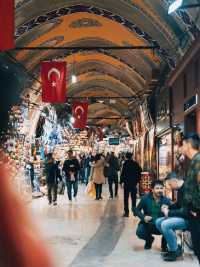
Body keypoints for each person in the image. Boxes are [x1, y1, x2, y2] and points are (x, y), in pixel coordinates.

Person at [156, 172, 188, 261]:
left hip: (189, 219)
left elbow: (185, 212)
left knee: (165, 224)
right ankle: (174, 246)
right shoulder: (180, 190)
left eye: (170, 184)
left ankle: (174, 251)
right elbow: (178, 205)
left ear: (174, 181)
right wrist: (168, 207)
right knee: (158, 222)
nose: (169, 186)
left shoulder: (187, 189)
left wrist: (169, 212)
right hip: (182, 217)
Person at [134, 180, 171, 250]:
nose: (159, 190)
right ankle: (149, 240)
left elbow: (171, 212)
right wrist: (143, 217)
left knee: (170, 227)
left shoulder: (166, 200)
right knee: (140, 232)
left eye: (161, 188)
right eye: (157, 188)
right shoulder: (145, 198)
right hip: (148, 224)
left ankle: (164, 244)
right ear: (152, 189)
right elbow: (136, 210)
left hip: (161, 225)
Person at [181, 133, 200, 264]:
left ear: (188, 144)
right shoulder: (194, 161)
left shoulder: (198, 162)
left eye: (182, 144)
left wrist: (197, 210)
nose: (181, 147)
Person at [120, 152, 142, 217]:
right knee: (133, 198)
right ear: (132, 156)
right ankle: (134, 212)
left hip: (127, 183)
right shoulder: (135, 163)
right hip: (133, 183)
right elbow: (140, 170)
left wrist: (121, 182)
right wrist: (138, 180)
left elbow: (123, 173)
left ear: (126, 157)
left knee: (126, 198)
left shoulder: (125, 164)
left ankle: (126, 213)